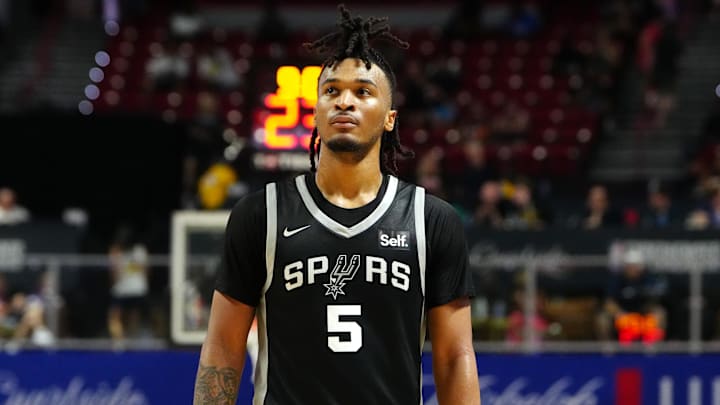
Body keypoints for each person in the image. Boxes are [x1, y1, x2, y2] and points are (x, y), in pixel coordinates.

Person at [193, 5, 480, 404]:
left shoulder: (431, 221)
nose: (345, 101)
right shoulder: (261, 215)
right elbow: (223, 347)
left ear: (390, 118)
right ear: (315, 112)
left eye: (363, 91)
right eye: (332, 91)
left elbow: (454, 357)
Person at [596, 249, 667, 342]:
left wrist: (645, 312)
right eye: (630, 266)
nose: (632, 269)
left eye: (635, 266)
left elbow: (653, 300)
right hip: (621, 315)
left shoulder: (648, 278)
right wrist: (619, 314)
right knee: (602, 319)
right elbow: (609, 302)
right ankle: (608, 350)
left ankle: (652, 348)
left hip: (642, 317)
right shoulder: (616, 279)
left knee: (660, 313)